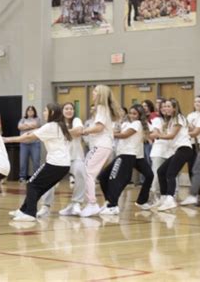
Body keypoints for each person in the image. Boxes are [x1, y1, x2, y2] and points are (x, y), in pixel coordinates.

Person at [5, 103, 72, 222]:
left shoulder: (51, 126)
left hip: (56, 164)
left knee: (32, 184)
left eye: (45, 110)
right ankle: (23, 210)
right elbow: (33, 133)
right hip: (63, 165)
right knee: (38, 187)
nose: (43, 113)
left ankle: (30, 213)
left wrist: (7, 139)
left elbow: (29, 138)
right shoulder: (59, 125)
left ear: (51, 113)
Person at [98, 104, 153, 215]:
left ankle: (112, 205)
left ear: (140, 115)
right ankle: (140, 201)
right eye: (131, 113)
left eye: (135, 113)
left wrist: (106, 133)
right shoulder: (127, 123)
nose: (132, 115)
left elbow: (124, 135)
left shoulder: (137, 124)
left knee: (114, 178)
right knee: (103, 176)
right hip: (135, 155)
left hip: (127, 155)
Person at [38, 102, 85, 217]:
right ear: (61, 111)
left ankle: (76, 203)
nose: (69, 111)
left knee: (80, 172)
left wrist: (60, 134)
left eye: (71, 109)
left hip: (75, 157)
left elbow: (78, 131)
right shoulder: (56, 124)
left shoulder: (76, 120)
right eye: (66, 108)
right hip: (60, 159)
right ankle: (45, 206)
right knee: (49, 180)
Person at [80, 85, 120, 217]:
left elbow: (99, 127)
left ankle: (92, 203)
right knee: (89, 173)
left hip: (101, 145)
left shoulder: (101, 108)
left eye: (95, 91)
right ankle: (91, 203)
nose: (93, 92)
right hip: (103, 145)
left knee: (88, 173)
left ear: (101, 94)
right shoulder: (103, 109)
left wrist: (84, 131)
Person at [154, 98, 193, 211]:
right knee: (161, 171)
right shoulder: (171, 120)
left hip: (184, 149)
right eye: (164, 106)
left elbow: (171, 136)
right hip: (178, 150)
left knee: (170, 173)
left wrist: (158, 135)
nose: (165, 108)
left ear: (174, 108)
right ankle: (164, 197)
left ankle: (170, 199)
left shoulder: (178, 118)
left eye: (168, 106)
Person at [17, 106, 42, 182]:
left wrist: (25, 126)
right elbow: (19, 127)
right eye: (29, 110)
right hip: (24, 144)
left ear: (34, 112)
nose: (30, 112)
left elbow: (36, 125)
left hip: (35, 144)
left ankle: (36, 177)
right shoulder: (22, 119)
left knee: (36, 161)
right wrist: (30, 126)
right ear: (26, 112)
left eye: (32, 110)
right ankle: (22, 177)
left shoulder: (37, 119)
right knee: (23, 161)